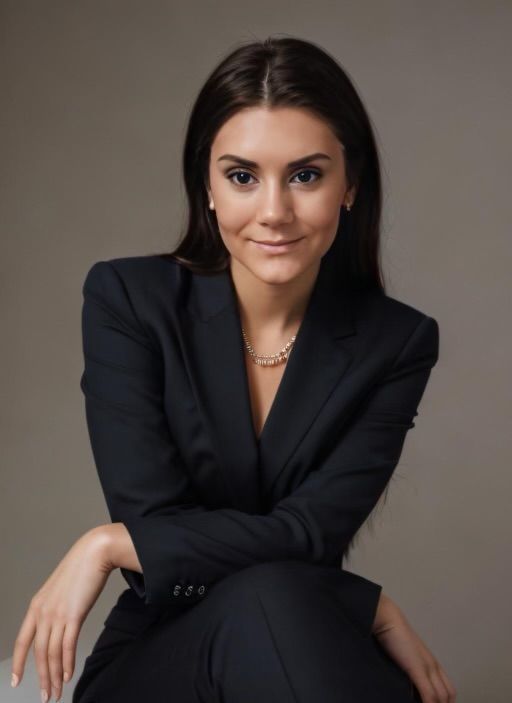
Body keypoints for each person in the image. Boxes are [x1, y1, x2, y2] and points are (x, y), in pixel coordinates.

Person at [10, 35, 457, 703]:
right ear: (208, 189)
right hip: (161, 658)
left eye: (306, 174)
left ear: (351, 184)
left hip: (304, 643)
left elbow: (312, 530)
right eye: (242, 176)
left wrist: (107, 543)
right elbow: (157, 518)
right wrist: (360, 599)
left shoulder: (396, 343)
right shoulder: (130, 302)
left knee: (285, 605)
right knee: (275, 594)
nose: (273, 211)